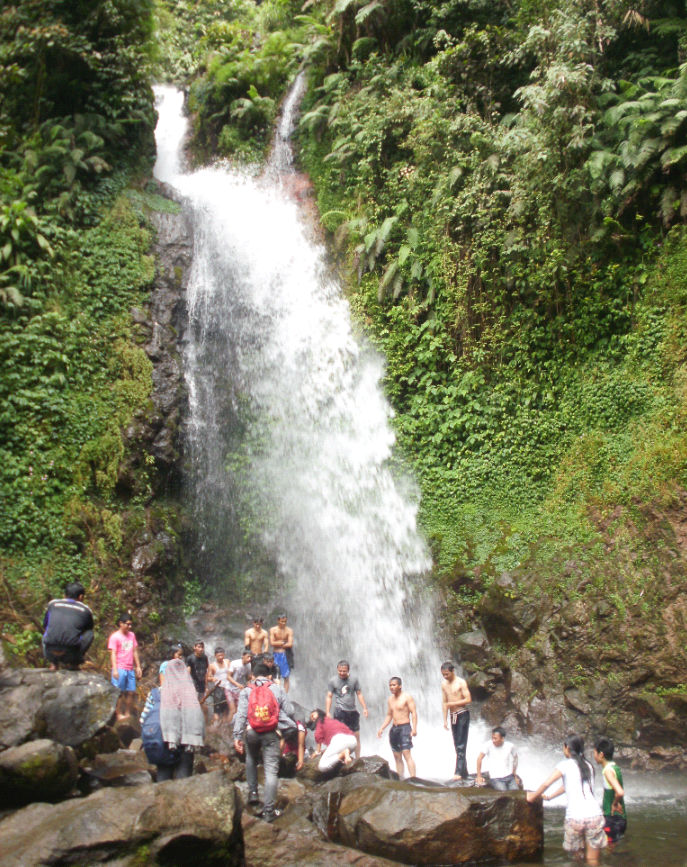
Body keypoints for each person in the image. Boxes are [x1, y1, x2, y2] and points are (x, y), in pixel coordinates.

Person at [527, 734, 607, 865]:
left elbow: (547, 783)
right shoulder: (589, 766)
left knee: (578, 859)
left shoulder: (564, 765)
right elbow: (567, 786)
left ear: (567, 748)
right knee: (593, 860)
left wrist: (533, 796)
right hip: (594, 816)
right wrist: (551, 797)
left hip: (575, 818)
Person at [233, 658, 295, 823]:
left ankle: (253, 794)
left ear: (253, 675)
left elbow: (240, 715)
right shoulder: (276, 688)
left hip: (251, 731)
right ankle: (268, 811)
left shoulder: (247, 689)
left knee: (251, 758)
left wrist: (237, 736)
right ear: (269, 675)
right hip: (271, 732)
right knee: (270, 771)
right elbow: (290, 711)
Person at [158, 657, 205, 779]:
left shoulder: (161, 692)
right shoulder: (190, 691)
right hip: (187, 742)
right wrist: (199, 739)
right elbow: (199, 718)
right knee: (183, 778)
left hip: (166, 739)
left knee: (163, 778)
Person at [42, 582, 94, 670]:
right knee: (89, 633)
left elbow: (45, 624)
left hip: (50, 651)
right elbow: (87, 629)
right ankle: (74, 664)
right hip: (71, 653)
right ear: (81, 597)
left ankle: (53, 663)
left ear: (64, 595)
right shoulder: (85, 610)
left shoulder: (53, 604)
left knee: (48, 630)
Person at [326, 659, 368, 759]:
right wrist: (327, 711)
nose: (342, 673)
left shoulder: (354, 679)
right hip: (340, 711)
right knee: (340, 736)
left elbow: (359, 694)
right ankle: (342, 757)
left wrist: (364, 708)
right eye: (340, 671)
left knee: (356, 735)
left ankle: (358, 758)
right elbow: (329, 696)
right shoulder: (333, 681)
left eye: (344, 671)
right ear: (337, 669)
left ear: (348, 670)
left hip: (353, 711)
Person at [376, 676, 418, 778]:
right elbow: (389, 715)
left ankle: (413, 778)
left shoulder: (407, 697)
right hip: (394, 729)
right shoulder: (390, 699)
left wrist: (414, 728)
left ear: (400, 686)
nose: (391, 687)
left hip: (405, 728)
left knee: (406, 753)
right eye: (390, 685)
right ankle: (400, 778)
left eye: (394, 685)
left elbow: (414, 713)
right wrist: (382, 728)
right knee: (396, 756)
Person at [441, 660, 472, 781]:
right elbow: (444, 703)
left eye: (447, 674)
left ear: (453, 671)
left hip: (462, 714)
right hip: (452, 715)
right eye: (443, 674)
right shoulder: (443, 684)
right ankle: (464, 772)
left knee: (461, 744)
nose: (445, 676)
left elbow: (468, 699)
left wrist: (452, 703)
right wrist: (444, 719)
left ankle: (458, 772)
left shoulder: (461, 682)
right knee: (457, 744)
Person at [108, 614, 142, 721]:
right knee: (119, 693)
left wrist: (138, 666)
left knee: (131, 692)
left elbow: (134, 651)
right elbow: (113, 653)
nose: (129, 626)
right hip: (120, 667)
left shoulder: (132, 635)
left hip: (130, 668)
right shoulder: (115, 637)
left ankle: (127, 713)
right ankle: (118, 714)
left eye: (131, 624)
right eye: (127, 624)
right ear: (120, 624)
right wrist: (115, 669)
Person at [594, 737, 627, 845]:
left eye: (594, 753)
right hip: (621, 819)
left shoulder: (607, 771)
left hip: (612, 819)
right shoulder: (615, 767)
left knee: (607, 851)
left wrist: (614, 803)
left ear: (601, 754)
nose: (593, 756)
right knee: (612, 850)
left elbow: (620, 792)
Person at [475, 726, 519, 790]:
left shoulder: (510, 746)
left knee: (515, 792)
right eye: (492, 738)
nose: (493, 740)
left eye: (495, 738)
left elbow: (516, 758)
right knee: (503, 792)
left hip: (509, 776)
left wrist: (514, 774)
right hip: (496, 778)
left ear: (502, 738)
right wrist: (479, 776)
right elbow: (479, 758)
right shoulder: (488, 745)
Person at [269, 614, 294, 693]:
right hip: (275, 654)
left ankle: (285, 695)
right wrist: (283, 642)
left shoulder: (289, 630)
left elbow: (290, 644)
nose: (283, 623)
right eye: (282, 621)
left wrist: (278, 643)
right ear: (278, 621)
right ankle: (275, 693)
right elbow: (272, 643)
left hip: (285, 655)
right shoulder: (273, 630)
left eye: (285, 621)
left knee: (286, 676)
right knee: (275, 676)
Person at [207, 646, 232, 724]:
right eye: (219, 656)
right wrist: (212, 679)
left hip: (228, 688)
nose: (221, 657)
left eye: (222, 655)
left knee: (227, 709)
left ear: (224, 654)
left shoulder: (227, 662)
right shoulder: (212, 666)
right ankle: (214, 725)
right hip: (218, 689)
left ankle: (225, 726)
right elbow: (208, 677)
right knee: (217, 710)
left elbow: (232, 672)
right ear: (215, 656)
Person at [226, 648, 253, 718]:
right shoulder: (234, 663)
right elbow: (228, 677)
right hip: (229, 689)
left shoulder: (249, 665)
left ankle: (234, 726)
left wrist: (251, 680)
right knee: (233, 710)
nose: (249, 659)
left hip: (239, 690)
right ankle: (228, 727)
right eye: (248, 657)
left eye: (251, 657)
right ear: (242, 656)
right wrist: (237, 684)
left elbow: (248, 678)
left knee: (240, 710)